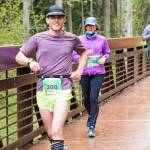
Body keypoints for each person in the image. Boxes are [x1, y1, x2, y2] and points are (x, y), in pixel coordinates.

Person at [15, 4, 91, 150]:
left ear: (64, 19)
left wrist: (80, 70)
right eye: (53, 17)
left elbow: (84, 53)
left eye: (59, 17)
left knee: (56, 130)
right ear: (47, 20)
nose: (56, 20)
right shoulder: (38, 38)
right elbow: (19, 56)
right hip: (42, 88)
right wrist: (30, 61)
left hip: (63, 87)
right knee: (50, 132)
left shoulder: (72, 38)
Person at [72, 17, 110, 137]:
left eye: (92, 26)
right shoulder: (79, 39)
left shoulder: (102, 39)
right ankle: (91, 116)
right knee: (87, 99)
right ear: (85, 27)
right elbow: (73, 55)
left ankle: (92, 125)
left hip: (98, 72)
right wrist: (82, 58)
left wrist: (104, 58)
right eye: (88, 26)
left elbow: (107, 52)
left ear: (95, 27)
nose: (90, 27)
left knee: (93, 97)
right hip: (84, 73)